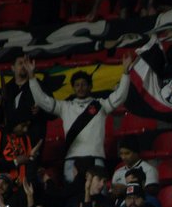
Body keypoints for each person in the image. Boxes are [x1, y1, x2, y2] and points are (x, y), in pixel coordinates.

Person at [23, 54, 135, 183]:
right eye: (77, 85)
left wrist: (126, 73)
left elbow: (120, 96)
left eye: (83, 84)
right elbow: (42, 100)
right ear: (73, 88)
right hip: (72, 160)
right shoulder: (65, 107)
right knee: (73, 198)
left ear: (90, 86)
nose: (80, 88)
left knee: (97, 197)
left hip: (96, 158)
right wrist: (31, 77)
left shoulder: (100, 105)